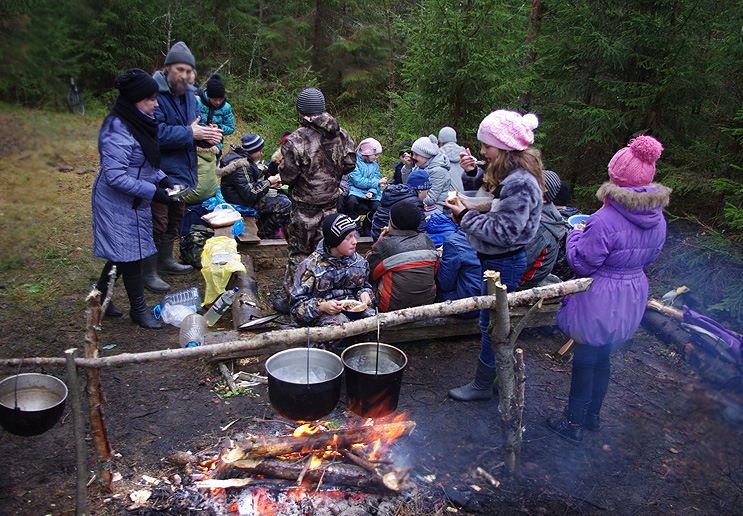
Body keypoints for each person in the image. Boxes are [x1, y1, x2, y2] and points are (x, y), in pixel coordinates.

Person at [545, 135, 670, 444]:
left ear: (616, 175)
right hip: (633, 291)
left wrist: (575, 234)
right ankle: (593, 417)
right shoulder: (657, 217)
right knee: (604, 356)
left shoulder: (603, 219)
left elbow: (583, 263)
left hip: (601, 294)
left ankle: (572, 424)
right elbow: (652, 256)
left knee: (586, 358)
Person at [446, 110, 544, 401]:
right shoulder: (510, 175)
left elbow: (504, 230)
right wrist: (473, 175)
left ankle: (483, 385)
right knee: (492, 323)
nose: (482, 151)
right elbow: (491, 202)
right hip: (495, 260)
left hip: (505, 261)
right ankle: (500, 378)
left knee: (494, 327)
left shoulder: (521, 182)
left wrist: (464, 217)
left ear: (504, 147)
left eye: (486, 146)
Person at [92, 68, 179, 329]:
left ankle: (99, 299)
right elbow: (115, 177)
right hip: (115, 202)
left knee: (120, 254)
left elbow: (144, 163)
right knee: (129, 255)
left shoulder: (139, 121)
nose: (156, 103)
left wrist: (163, 179)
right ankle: (138, 311)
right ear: (134, 100)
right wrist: (154, 192)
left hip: (134, 199)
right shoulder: (117, 129)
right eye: (150, 99)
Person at [149, 41, 223, 293]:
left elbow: (193, 128)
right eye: (179, 69)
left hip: (183, 170)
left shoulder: (189, 96)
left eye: (188, 70)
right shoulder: (154, 94)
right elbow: (154, 134)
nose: (185, 75)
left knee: (174, 218)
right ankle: (149, 272)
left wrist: (206, 135)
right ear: (167, 68)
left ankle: (166, 260)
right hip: (160, 172)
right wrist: (190, 133)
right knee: (157, 222)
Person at [275, 87, 356, 313]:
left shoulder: (296, 140)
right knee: (329, 252)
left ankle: (295, 301)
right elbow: (351, 164)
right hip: (331, 207)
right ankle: (327, 295)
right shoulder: (342, 135)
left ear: (301, 112)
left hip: (305, 209)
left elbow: (287, 175)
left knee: (300, 253)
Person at [290, 214, 375, 339]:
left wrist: (365, 294)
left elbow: (364, 286)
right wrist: (321, 307)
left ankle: (361, 353)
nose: (355, 241)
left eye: (355, 235)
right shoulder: (310, 267)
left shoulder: (359, 262)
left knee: (374, 320)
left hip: (352, 310)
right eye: (348, 237)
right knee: (339, 324)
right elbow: (296, 308)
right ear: (334, 241)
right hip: (321, 316)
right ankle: (323, 355)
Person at [366, 201, 439, 312]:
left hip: (392, 307)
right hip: (427, 302)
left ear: (392, 223)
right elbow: (435, 270)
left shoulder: (386, 245)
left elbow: (369, 273)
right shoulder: (427, 240)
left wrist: (378, 243)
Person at [217, 133, 291, 238]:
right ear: (253, 151)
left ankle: (266, 229)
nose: (261, 154)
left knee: (281, 197)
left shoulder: (241, 160)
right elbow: (251, 194)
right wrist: (268, 182)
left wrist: (268, 186)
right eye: (260, 151)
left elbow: (248, 186)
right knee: (285, 204)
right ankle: (264, 232)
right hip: (241, 203)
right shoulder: (241, 167)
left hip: (242, 198)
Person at [518, 170, 568, 290]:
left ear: (544, 198)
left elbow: (519, 264)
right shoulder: (539, 210)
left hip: (524, 281)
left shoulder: (538, 228)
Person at [435, 214, 480, 319]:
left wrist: (441, 258)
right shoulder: (494, 234)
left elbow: (444, 283)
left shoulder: (454, 241)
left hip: (468, 305)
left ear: (454, 217)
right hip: (495, 296)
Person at [371, 169, 428, 241]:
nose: (426, 196)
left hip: (377, 231)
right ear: (420, 190)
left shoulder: (396, 194)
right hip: (394, 239)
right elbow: (421, 229)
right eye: (427, 192)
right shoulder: (415, 203)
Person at [347, 137, 387, 222]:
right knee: (351, 201)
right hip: (355, 191)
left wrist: (372, 192)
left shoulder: (375, 165)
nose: (377, 157)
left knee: (378, 206)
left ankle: (368, 223)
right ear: (367, 153)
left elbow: (376, 179)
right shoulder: (354, 163)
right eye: (375, 155)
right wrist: (377, 182)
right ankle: (355, 222)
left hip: (370, 193)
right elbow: (358, 181)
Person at [409, 136, 452, 213]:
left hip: (438, 208)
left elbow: (431, 199)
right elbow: (408, 184)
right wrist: (407, 167)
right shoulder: (420, 166)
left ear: (426, 155)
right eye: (413, 154)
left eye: (416, 155)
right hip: (419, 203)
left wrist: (409, 199)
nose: (413, 157)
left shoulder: (439, 171)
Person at [196, 73, 235, 152]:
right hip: (196, 143)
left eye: (220, 99)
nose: (217, 102)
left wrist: (219, 127)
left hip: (216, 145)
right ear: (208, 96)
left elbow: (231, 127)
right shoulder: (197, 103)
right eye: (214, 99)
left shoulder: (226, 107)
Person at [438, 126, 466, 192]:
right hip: (466, 197)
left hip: (447, 199)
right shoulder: (466, 156)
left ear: (441, 142)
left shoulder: (437, 157)